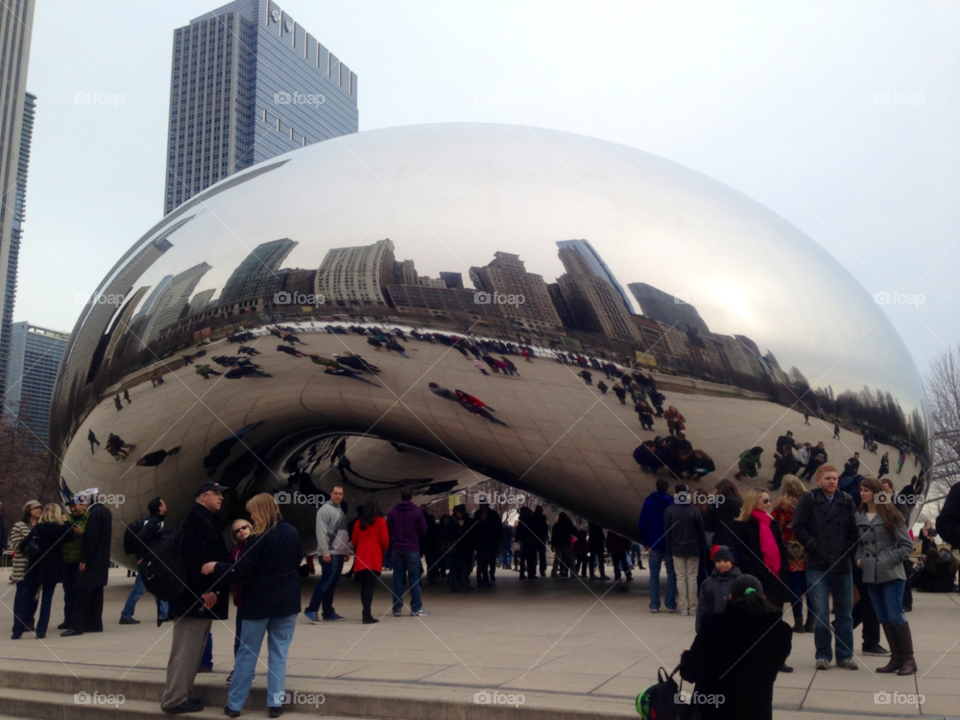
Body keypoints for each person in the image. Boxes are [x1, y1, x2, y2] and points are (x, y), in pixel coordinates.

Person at [202, 493, 300, 718]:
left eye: (252, 511)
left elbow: (240, 571)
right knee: (279, 653)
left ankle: (235, 705)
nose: (251, 516)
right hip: (287, 602)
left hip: (257, 603)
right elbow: (295, 562)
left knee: (247, 654)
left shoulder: (258, 537)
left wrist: (217, 566)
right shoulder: (292, 532)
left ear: (261, 510)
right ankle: (275, 704)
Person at [679, 574, 793, 720]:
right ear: (762, 596)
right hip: (757, 710)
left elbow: (691, 672)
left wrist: (686, 656)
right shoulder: (781, 632)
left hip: (715, 709)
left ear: (730, 597)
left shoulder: (713, 625)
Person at [160, 482, 230, 715]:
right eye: (216, 494)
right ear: (202, 496)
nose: (221, 498)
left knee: (193, 650)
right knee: (186, 650)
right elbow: (194, 560)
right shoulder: (196, 520)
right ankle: (173, 700)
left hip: (197, 599)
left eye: (221, 494)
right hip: (195, 599)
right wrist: (204, 591)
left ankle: (181, 695)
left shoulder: (205, 519)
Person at [792, 465, 860, 670]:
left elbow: (854, 531)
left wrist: (846, 551)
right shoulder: (808, 500)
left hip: (842, 564)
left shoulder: (847, 500)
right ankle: (823, 655)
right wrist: (814, 546)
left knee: (844, 613)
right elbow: (798, 527)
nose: (832, 481)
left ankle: (845, 655)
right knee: (821, 613)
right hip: (817, 564)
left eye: (835, 478)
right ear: (818, 480)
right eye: (828, 478)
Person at [855, 477, 917, 675]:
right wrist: (858, 558)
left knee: (895, 614)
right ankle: (896, 657)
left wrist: (886, 560)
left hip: (892, 574)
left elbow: (907, 546)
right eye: (861, 489)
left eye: (866, 490)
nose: (862, 493)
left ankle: (909, 659)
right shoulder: (859, 516)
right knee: (882, 616)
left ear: (876, 492)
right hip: (870, 574)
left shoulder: (891, 515)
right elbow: (859, 544)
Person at [731, 489, 793, 673]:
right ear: (753, 502)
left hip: (775, 577)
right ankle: (752, 657)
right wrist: (758, 570)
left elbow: (780, 547)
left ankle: (776, 658)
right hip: (755, 577)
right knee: (753, 620)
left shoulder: (771, 523)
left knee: (775, 620)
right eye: (765, 500)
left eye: (769, 500)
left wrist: (782, 568)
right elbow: (739, 553)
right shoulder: (742, 524)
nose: (768, 503)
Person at [13, 504, 67, 639]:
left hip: (35, 567)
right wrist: (65, 522)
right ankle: (41, 631)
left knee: (27, 599)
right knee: (46, 601)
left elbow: (23, 545)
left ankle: (17, 631)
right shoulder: (61, 529)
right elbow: (71, 537)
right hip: (52, 569)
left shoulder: (38, 528)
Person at [62, 489, 112, 637]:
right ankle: (95, 624)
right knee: (97, 593)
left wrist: (84, 559)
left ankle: (77, 626)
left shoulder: (93, 514)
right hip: (101, 560)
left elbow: (92, 539)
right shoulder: (105, 512)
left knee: (83, 593)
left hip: (92, 560)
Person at [771, 475, 812, 633]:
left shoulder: (782, 503)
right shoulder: (809, 500)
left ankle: (798, 621)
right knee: (810, 586)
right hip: (809, 547)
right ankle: (811, 621)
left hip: (790, 547)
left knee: (795, 586)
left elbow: (775, 524)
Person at [304, 485, 350, 623]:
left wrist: (345, 549)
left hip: (339, 552)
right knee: (326, 581)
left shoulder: (340, 510)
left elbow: (342, 533)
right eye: (336, 493)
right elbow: (321, 532)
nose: (338, 496)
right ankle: (311, 610)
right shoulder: (324, 510)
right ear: (330, 494)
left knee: (333, 583)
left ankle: (328, 611)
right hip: (330, 552)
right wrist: (324, 551)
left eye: (340, 493)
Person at [120, 497, 169, 625]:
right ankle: (126, 614)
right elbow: (140, 538)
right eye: (163, 504)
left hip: (151, 560)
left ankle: (165, 613)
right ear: (159, 508)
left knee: (159, 586)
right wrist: (141, 557)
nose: (165, 505)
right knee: (139, 589)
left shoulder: (154, 521)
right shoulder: (155, 522)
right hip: (148, 561)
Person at [663, 485, 706, 617]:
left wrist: (669, 551)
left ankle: (683, 608)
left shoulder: (669, 510)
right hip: (693, 548)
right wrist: (702, 548)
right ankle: (693, 608)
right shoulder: (695, 510)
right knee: (692, 578)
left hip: (677, 548)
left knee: (680, 578)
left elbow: (667, 533)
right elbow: (701, 532)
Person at [386, 488, 429, 616]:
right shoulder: (417, 512)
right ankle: (416, 607)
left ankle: (397, 609)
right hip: (412, 548)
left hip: (397, 548)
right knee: (414, 578)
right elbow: (424, 530)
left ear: (400, 497)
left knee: (398, 579)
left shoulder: (393, 512)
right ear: (412, 497)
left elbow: (388, 529)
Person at [638, 478, 677, 612]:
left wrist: (645, 542)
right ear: (667, 488)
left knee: (654, 574)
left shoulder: (648, 503)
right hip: (669, 543)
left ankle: (654, 604)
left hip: (654, 542)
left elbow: (643, 523)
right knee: (672, 574)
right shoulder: (671, 503)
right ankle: (670, 604)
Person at [351, 496, 390, 624]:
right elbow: (384, 539)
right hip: (374, 556)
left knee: (363, 586)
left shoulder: (358, 522)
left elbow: (354, 541)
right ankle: (367, 614)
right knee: (370, 586)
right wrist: (383, 549)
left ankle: (365, 611)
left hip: (361, 556)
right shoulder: (380, 520)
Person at [225, 519, 251, 686]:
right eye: (237, 530)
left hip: (258, 600)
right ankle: (241, 668)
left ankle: (245, 669)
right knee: (240, 638)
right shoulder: (235, 554)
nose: (241, 531)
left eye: (244, 527)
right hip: (242, 600)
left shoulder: (259, 546)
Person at [695, 545, 742, 632]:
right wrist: (700, 629)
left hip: (736, 629)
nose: (722, 564)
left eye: (725, 560)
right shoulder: (707, 584)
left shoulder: (741, 582)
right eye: (718, 561)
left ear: (732, 562)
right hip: (714, 629)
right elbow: (702, 608)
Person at [704, 479, 742, 548]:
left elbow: (709, 528)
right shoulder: (741, 504)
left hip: (718, 540)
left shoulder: (713, 505)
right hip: (735, 541)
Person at [474, 505, 502, 588]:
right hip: (481, 541)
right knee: (481, 561)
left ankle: (488, 576)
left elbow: (498, 527)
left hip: (490, 541)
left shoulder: (492, 514)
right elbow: (475, 527)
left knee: (488, 560)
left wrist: (497, 539)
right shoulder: (479, 514)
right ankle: (481, 579)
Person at [550, 513, 576, 577]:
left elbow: (553, 536)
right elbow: (574, 531)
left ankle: (554, 572)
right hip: (566, 543)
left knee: (557, 558)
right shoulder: (567, 524)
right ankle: (573, 573)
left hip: (558, 544)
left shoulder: (555, 526)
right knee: (570, 558)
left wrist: (553, 545)